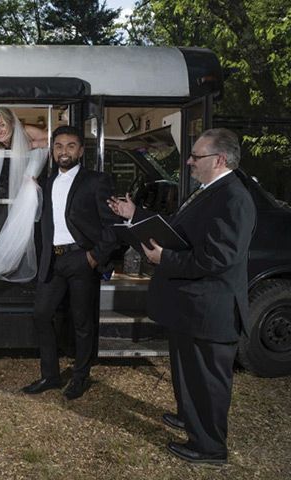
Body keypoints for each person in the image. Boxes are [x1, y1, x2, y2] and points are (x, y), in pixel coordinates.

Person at [107, 128, 256, 465]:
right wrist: (135, 216)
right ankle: (191, 418)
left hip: (210, 309)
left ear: (218, 160)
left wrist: (166, 259)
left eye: (196, 156)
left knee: (208, 382)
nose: (188, 161)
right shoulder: (210, 191)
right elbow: (177, 230)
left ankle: (210, 448)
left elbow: (218, 258)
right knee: (188, 372)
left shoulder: (234, 198)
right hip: (192, 306)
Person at [22, 125, 118, 400]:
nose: (64, 151)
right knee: (41, 314)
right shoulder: (49, 180)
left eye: (71, 146)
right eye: (59, 146)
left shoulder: (96, 181)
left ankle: (80, 377)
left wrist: (94, 257)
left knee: (82, 323)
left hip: (81, 259)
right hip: (53, 259)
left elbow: (113, 225)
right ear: (52, 150)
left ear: (81, 150)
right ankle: (50, 375)